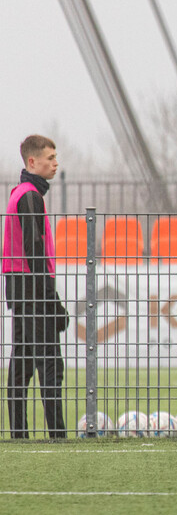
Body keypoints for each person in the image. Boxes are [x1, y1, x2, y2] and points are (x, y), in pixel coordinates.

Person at [3, 135, 69, 439]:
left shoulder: (20, 193)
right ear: (32, 162)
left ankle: (19, 435)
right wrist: (52, 300)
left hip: (21, 292)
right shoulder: (30, 196)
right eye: (50, 158)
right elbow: (35, 252)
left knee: (22, 367)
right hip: (33, 293)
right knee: (51, 365)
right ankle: (56, 434)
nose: (55, 164)